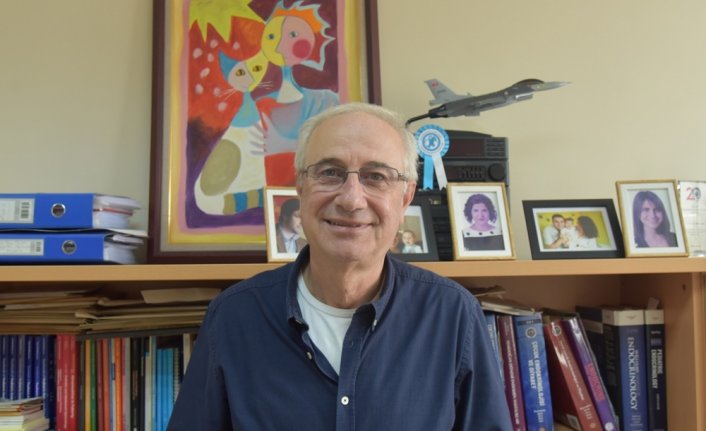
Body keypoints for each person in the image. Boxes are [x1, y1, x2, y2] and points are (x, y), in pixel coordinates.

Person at [168, 102, 512, 430]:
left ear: (406, 196)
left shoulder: (453, 315)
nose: (351, 199)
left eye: (376, 176)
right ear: (300, 185)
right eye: (330, 173)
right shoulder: (233, 316)